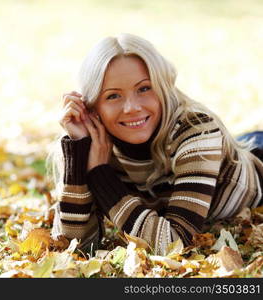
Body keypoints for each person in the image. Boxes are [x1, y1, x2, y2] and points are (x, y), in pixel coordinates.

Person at [48, 33, 263, 255]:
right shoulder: (93, 146)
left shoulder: (197, 131)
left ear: (162, 88)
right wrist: (78, 153)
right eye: (113, 96)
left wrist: (100, 175)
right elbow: (75, 246)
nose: (131, 107)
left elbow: (175, 243)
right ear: (92, 107)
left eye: (144, 88)